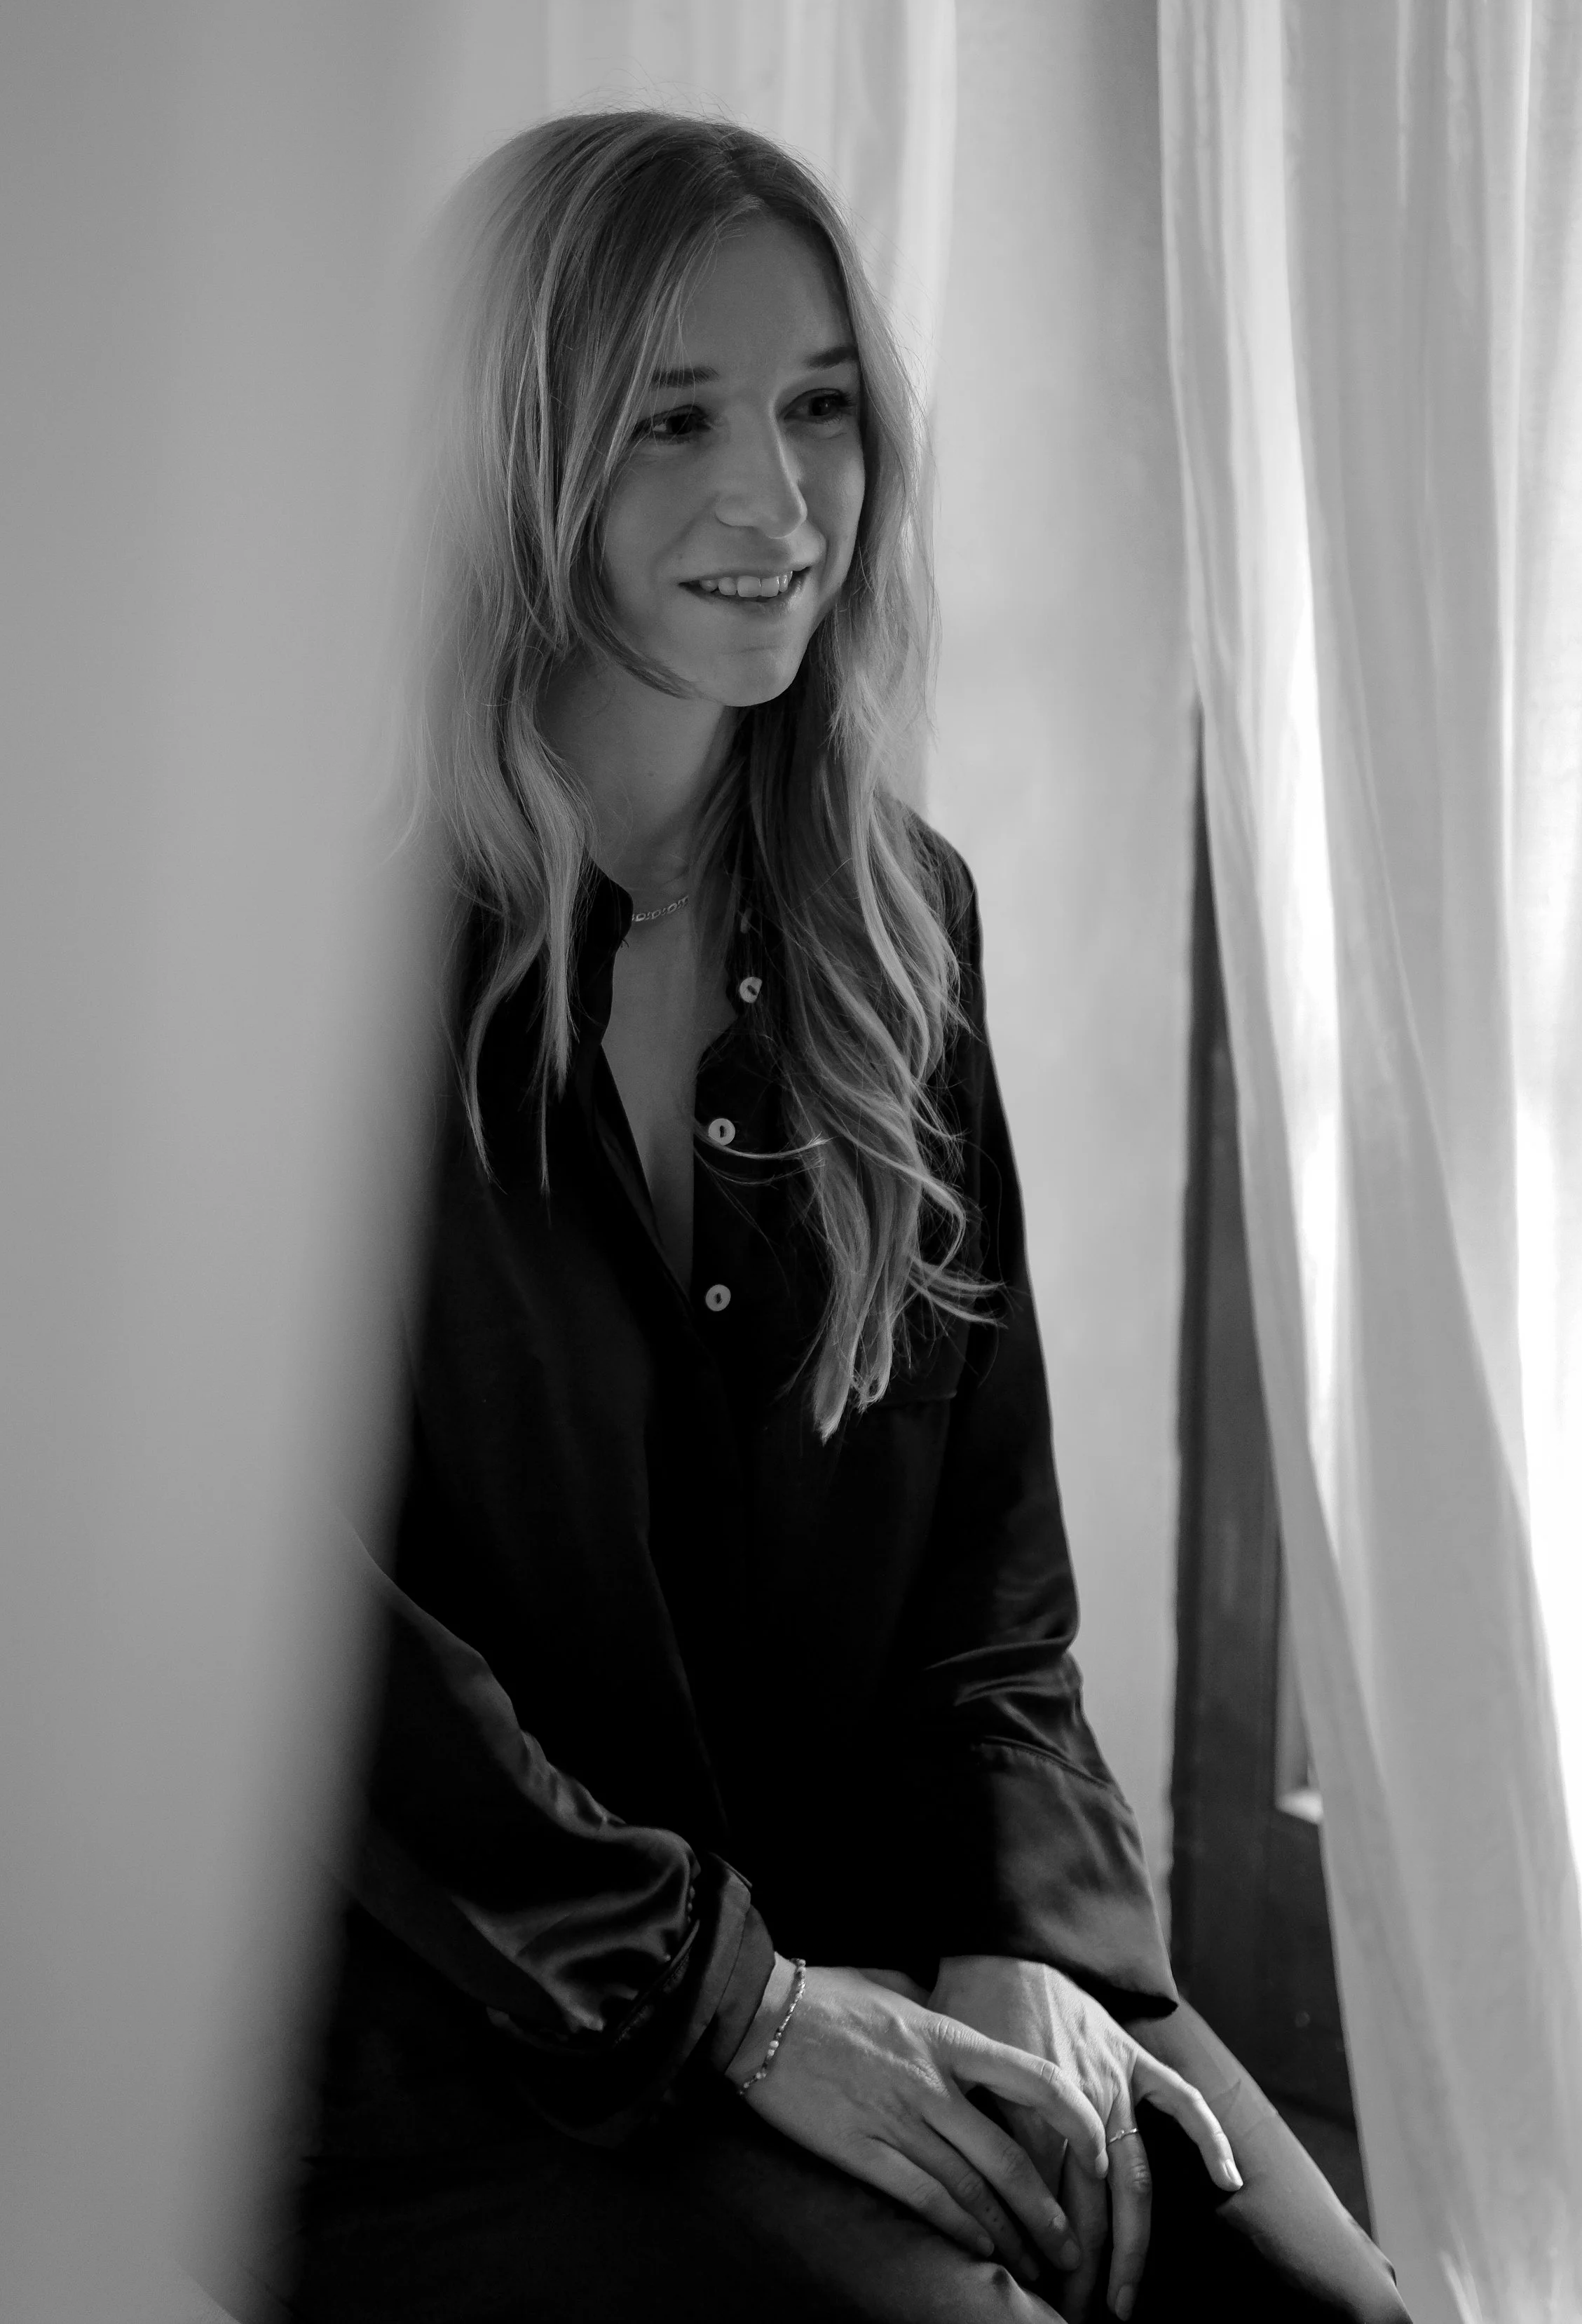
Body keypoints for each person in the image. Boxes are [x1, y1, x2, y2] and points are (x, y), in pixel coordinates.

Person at [276, 111, 1410, 2323]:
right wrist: (748, 2006)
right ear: (508, 452)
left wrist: (1021, 1946)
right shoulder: (306, 960)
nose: (775, 501)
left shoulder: (901, 919)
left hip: (871, 1909)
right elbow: (318, 1654)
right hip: (466, 2011)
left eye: (819, 408)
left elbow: (988, 1579)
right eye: (670, 419)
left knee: (1322, 2310)